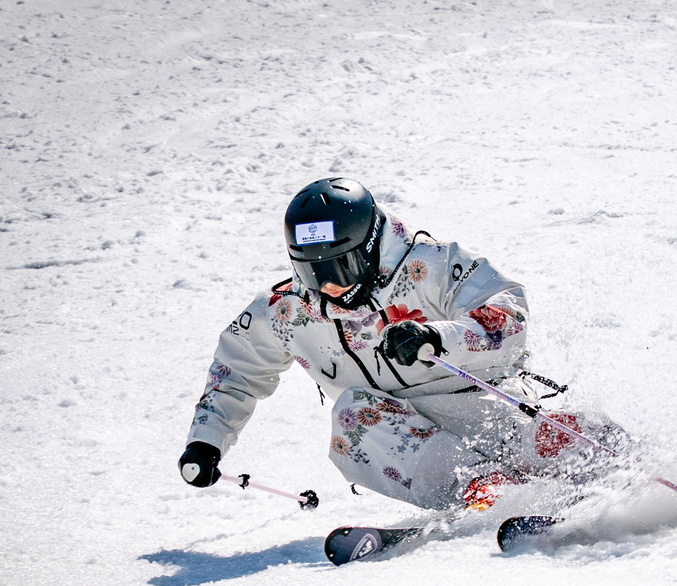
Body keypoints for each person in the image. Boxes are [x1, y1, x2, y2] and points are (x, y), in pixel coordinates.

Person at [178, 177, 618, 510]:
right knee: (352, 416)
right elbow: (236, 372)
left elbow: (507, 314)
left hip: (483, 407)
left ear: (370, 247)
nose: (329, 286)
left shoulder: (431, 265)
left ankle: (638, 474)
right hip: (400, 439)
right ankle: (484, 490)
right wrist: (207, 441)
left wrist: (436, 336)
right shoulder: (287, 311)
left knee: (589, 446)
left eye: (342, 268)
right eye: (314, 272)